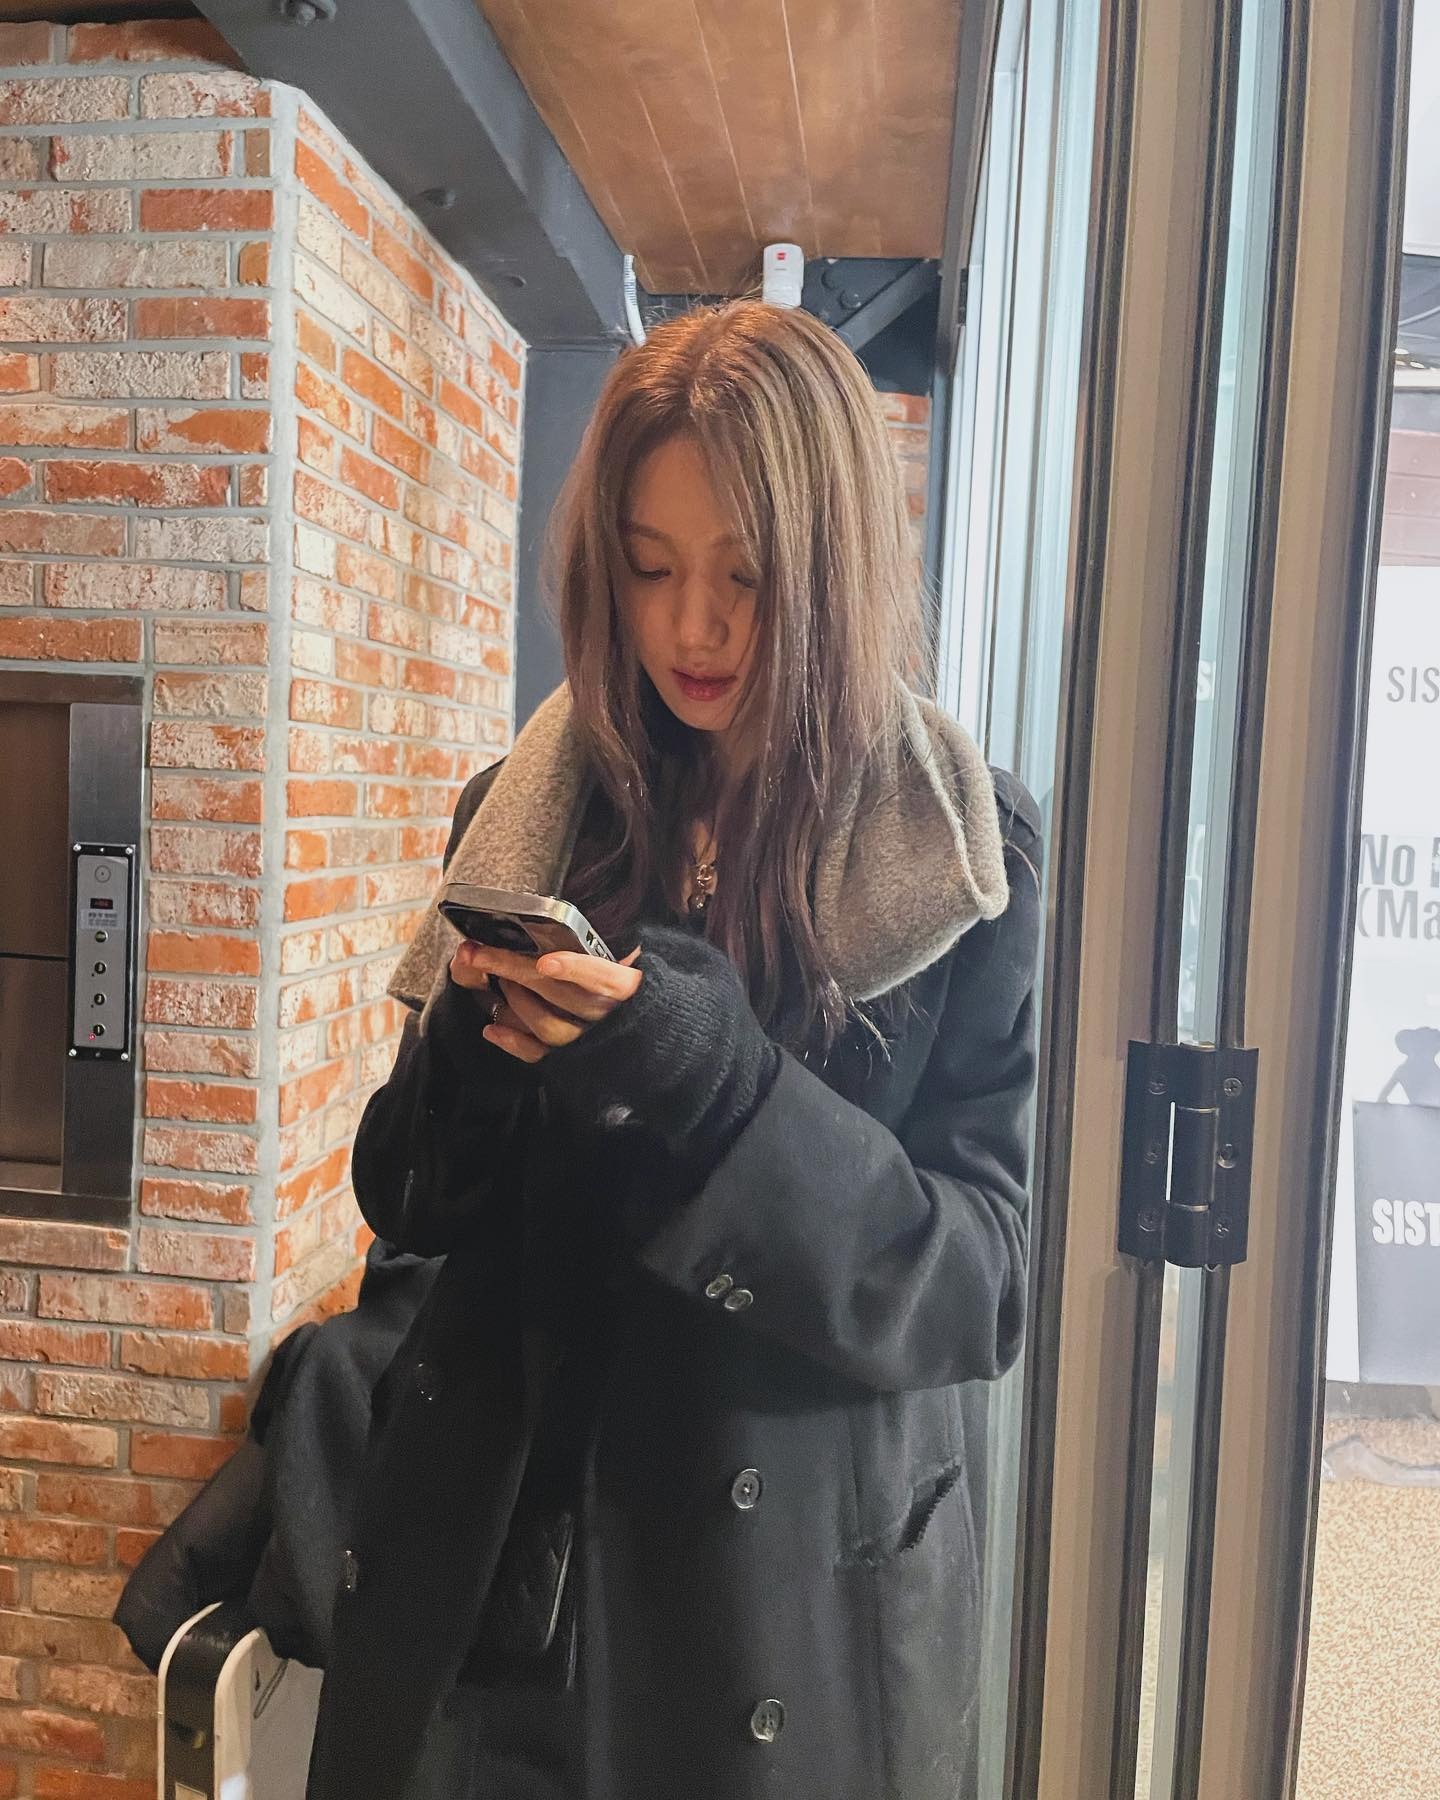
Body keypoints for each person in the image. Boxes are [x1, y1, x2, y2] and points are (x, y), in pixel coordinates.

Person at [306, 299, 1043, 1800]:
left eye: (745, 576)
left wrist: (725, 1093)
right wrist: (476, 1051)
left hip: (779, 1607)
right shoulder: (528, 811)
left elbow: (981, 1283)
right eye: (649, 569)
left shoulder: (960, 853)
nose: (691, 629)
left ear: (830, 571)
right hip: (505, 1584)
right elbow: (408, 1200)